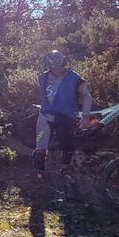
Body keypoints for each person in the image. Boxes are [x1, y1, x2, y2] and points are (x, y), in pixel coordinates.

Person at [34, 50, 92, 180]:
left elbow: (87, 96)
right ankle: (39, 171)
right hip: (45, 114)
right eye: (53, 66)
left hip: (66, 115)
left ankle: (65, 169)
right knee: (40, 144)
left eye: (59, 66)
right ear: (48, 66)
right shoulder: (42, 77)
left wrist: (85, 115)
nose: (56, 69)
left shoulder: (74, 78)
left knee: (67, 144)